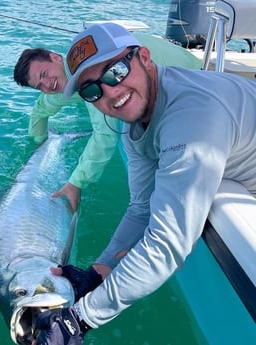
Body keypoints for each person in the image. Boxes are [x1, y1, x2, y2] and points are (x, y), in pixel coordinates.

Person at [33, 22, 256, 344]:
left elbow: (168, 244)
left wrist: (79, 320)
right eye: (92, 90)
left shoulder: (192, 116)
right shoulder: (133, 119)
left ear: (145, 58)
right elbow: (141, 206)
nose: (111, 92)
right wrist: (98, 272)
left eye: (115, 72)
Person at [13, 34, 201, 212]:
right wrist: (39, 141)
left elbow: (105, 136)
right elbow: (41, 109)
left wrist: (76, 183)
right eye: (40, 85)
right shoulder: (67, 72)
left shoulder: (89, 72)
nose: (47, 84)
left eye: (44, 74)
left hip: (190, 77)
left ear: (55, 57)